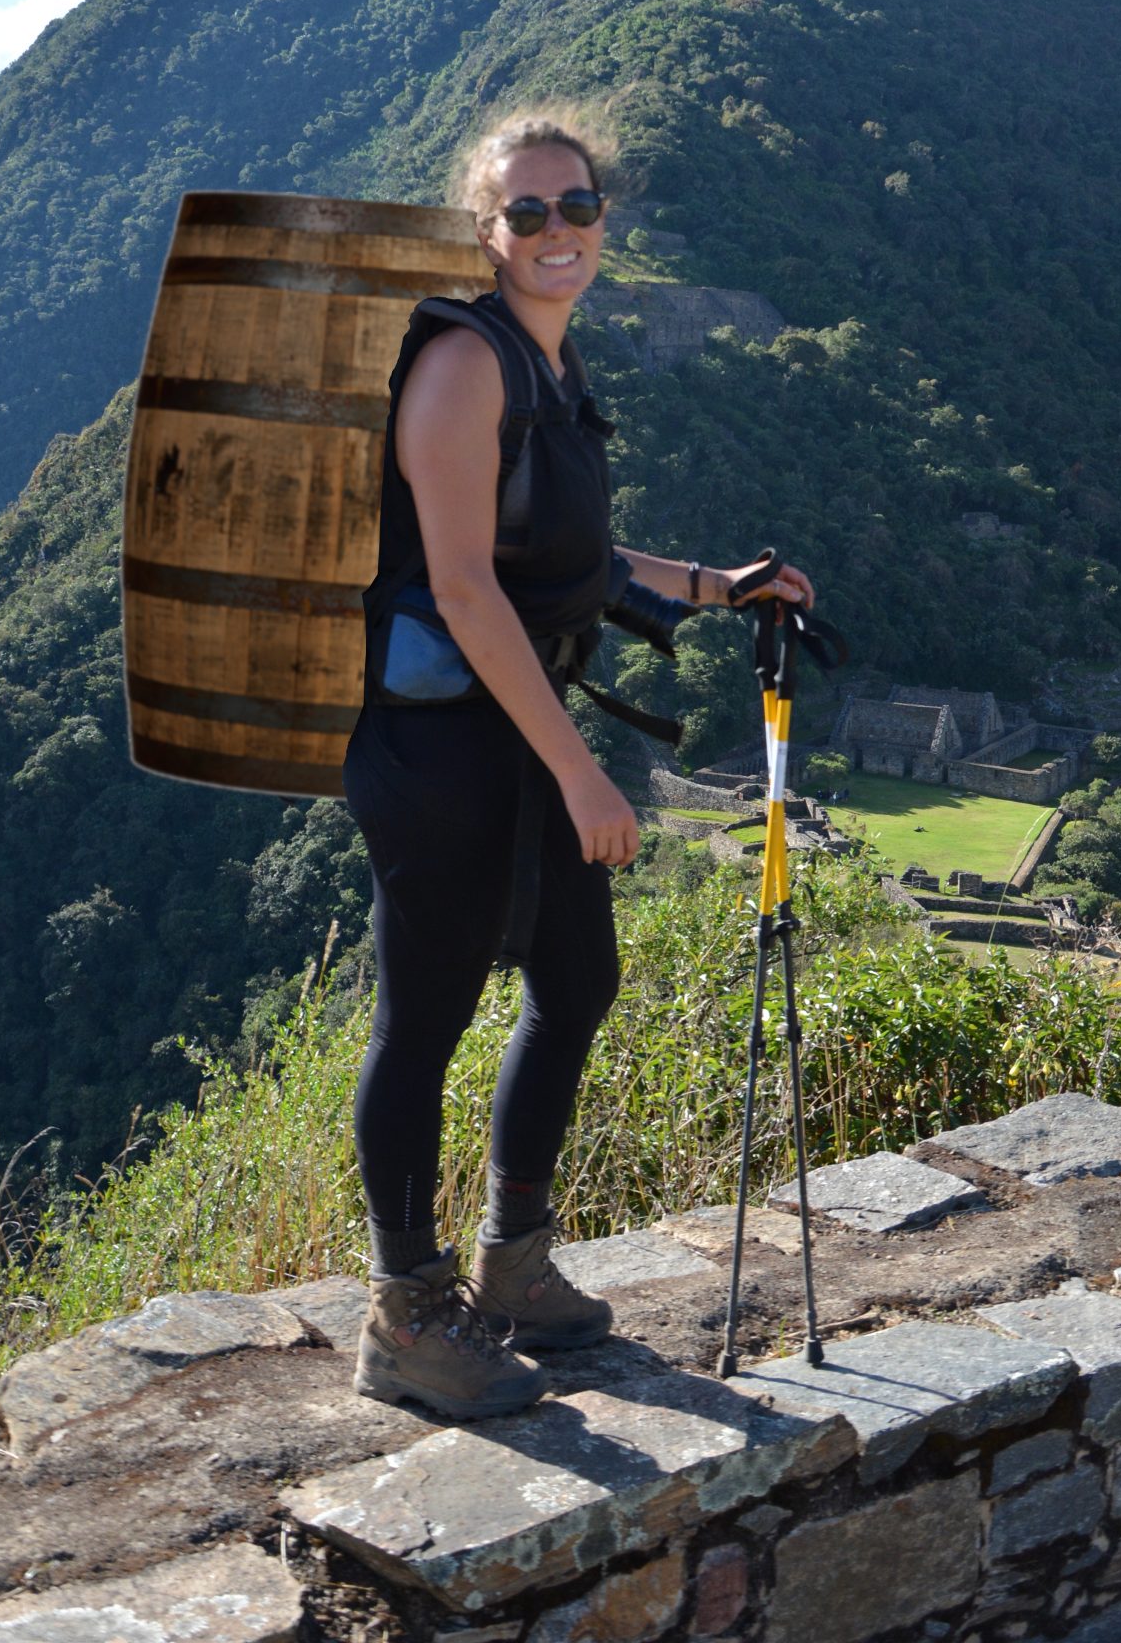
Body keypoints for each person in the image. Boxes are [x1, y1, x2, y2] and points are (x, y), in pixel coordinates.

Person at [341, 107, 814, 1420]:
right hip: (436, 749)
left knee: (579, 977)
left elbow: (566, 563)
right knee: (423, 1025)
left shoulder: (549, 366)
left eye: (579, 207)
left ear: (606, 219)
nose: (559, 232)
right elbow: (467, 592)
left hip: (509, 733)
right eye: (529, 213)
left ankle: (510, 1264)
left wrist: (719, 586)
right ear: (487, 236)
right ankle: (407, 1315)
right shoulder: (463, 368)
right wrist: (585, 775)